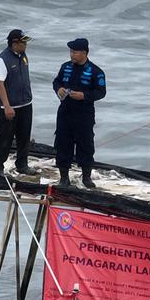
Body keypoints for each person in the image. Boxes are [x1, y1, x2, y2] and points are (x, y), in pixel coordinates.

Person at [52, 38, 106, 188]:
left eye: (75, 52)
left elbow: (101, 92)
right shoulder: (65, 67)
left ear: (84, 53)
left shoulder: (96, 72)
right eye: (71, 52)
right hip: (65, 112)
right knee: (63, 144)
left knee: (86, 145)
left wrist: (84, 96)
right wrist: (58, 89)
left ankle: (86, 177)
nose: (71, 55)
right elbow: (56, 81)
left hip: (84, 115)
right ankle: (64, 178)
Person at [0, 28, 34, 176]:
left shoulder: (23, 56)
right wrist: (7, 106)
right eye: (23, 43)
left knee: (24, 136)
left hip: (25, 104)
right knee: (5, 137)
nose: (26, 45)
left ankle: (22, 165)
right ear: (14, 43)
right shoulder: (2, 60)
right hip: (8, 107)